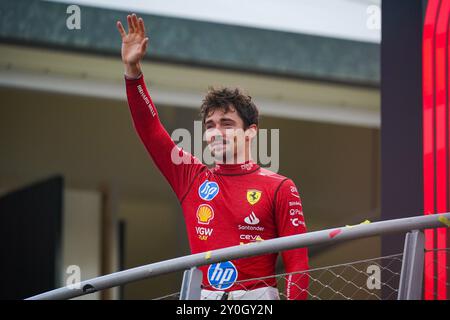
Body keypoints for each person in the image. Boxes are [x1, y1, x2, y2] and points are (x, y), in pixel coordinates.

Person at [117, 13, 309, 300]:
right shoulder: (191, 176)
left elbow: (297, 265)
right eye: (210, 126)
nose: (216, 132)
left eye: (227, 124)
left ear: (251, 132)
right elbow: (150, 130)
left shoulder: (280, 187)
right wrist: (133, 72)